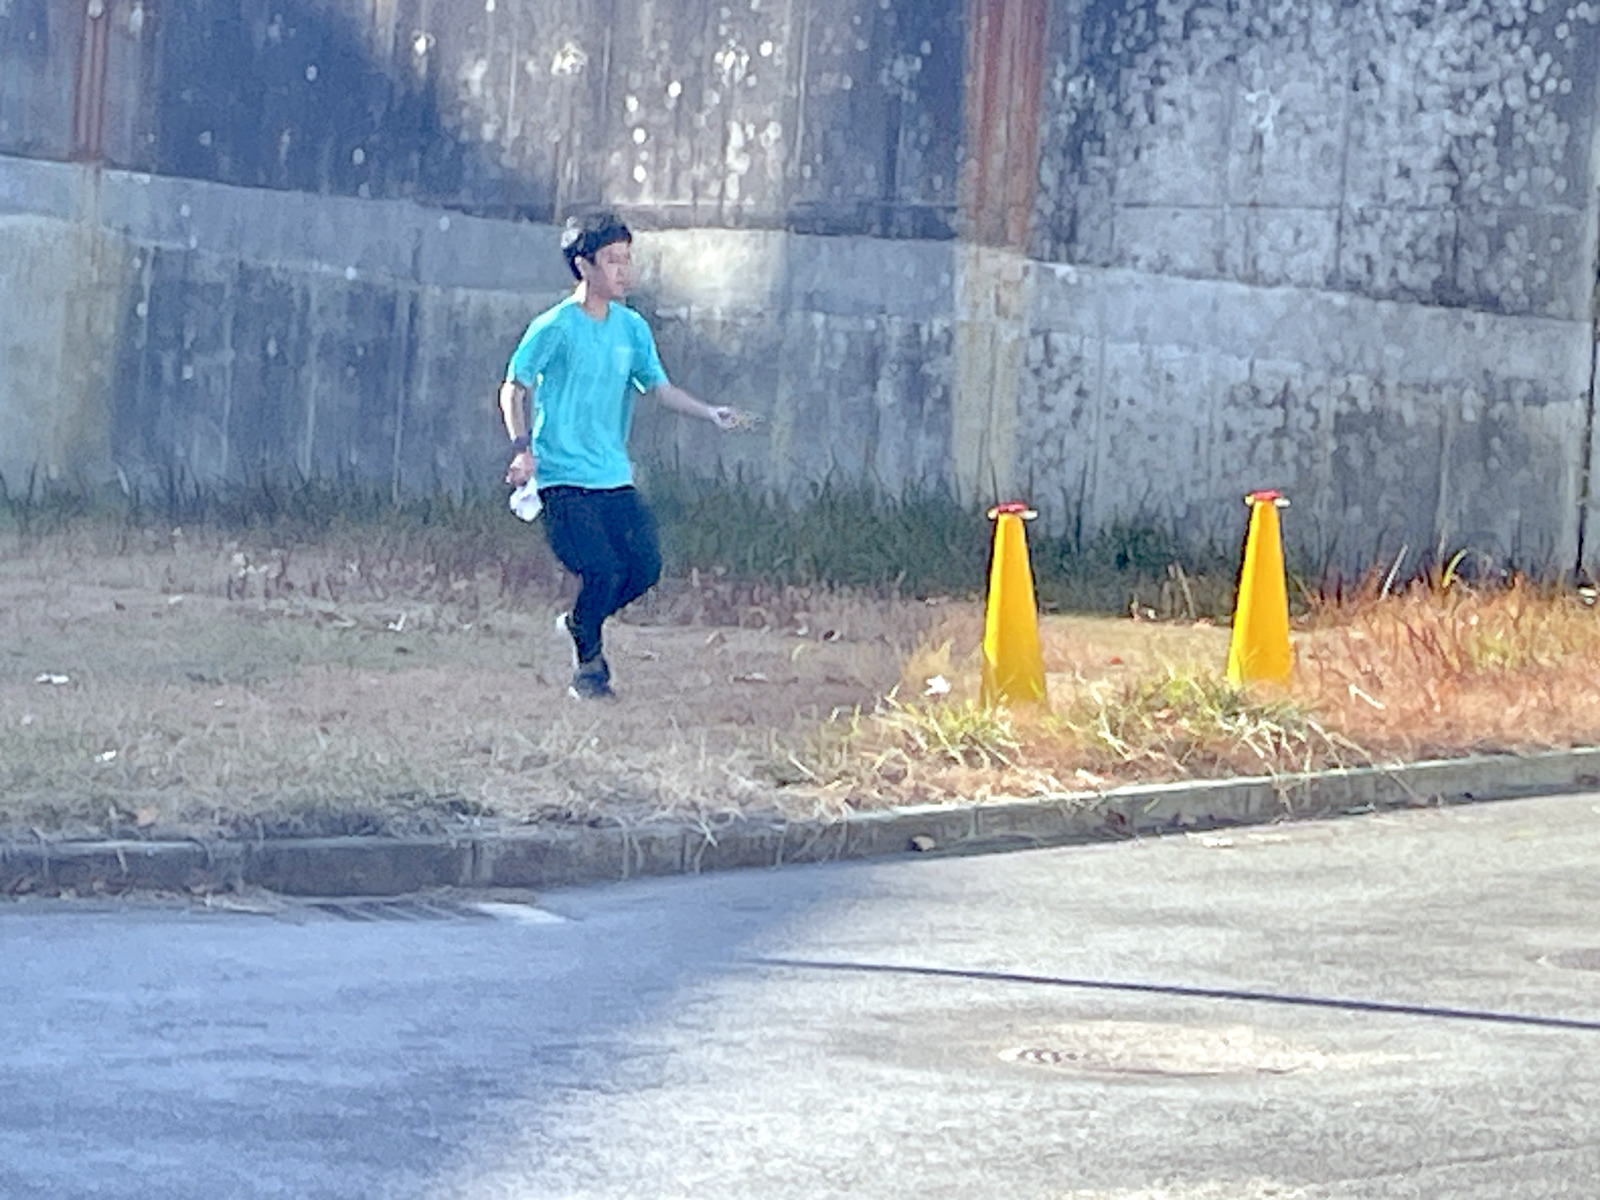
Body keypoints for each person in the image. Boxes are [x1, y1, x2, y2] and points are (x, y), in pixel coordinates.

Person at [498, 211, 743, 699]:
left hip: (612, 475)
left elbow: (659, 387)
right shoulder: (555, 327)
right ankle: (589, 669)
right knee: (602, 570)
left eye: (626, 260)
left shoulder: (631, 328)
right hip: (562, 477)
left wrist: (709, 412)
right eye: (612, 260)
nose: (623, 271)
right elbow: (513, 388)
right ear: (583, 265)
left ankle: (579, 622)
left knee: (644, 566)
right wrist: (522, 451)